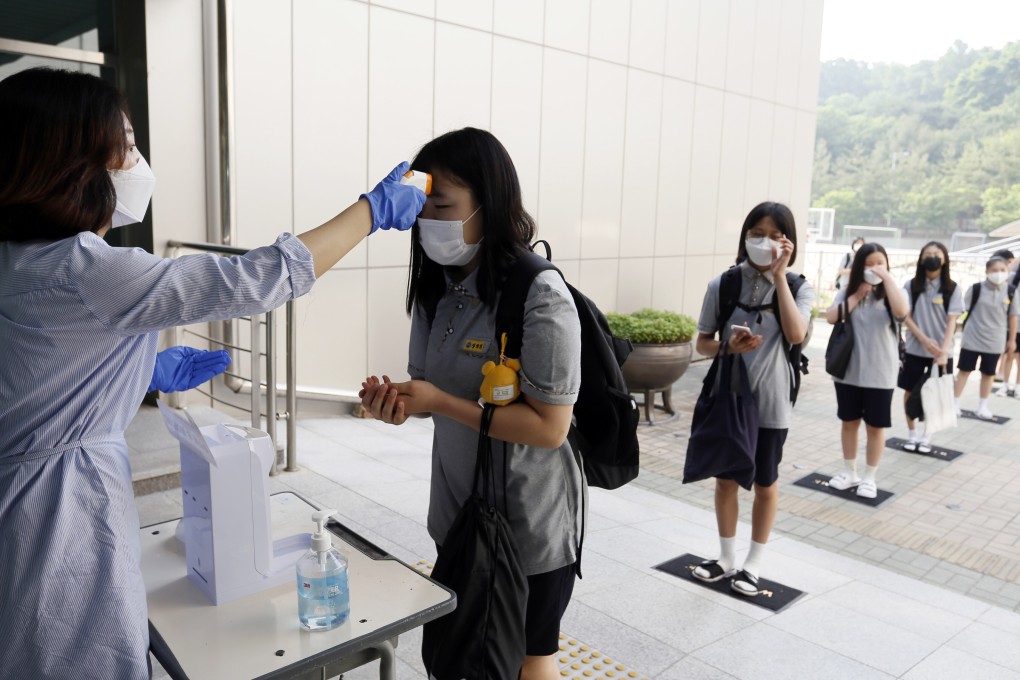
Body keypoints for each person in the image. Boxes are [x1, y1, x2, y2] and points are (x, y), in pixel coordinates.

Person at [0, 67, 425, 679]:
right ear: (73, 162)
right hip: (63, 518)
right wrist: (369, 211)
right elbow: (254, 280)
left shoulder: (17, 260)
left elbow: (38, 370)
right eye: (125, 144)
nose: (136, 161)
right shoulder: (88, 268)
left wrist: (142, 369)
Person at [359, 128, 583, 680]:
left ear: (490, 203)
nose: (427, 220)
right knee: (468, 657)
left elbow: (550, 428)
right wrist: (400, 402)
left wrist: (442, 401)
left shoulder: (539, 293)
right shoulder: (437, 288)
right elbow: (428, 389)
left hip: (528, 526)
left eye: (442, 204)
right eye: (422, 206)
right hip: (460, 517)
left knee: (529, 659)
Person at [690, 202, 814, 596]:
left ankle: (753, 563)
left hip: (773, 401)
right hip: (729, 397)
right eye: (757, 233)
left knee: (765, 483)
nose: (765, 241)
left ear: (788, 241)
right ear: (745, 237)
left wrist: (779, 278)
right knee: (726, 480)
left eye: (775, 234)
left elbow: (796, 335)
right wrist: (729, 347)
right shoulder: (722, 284)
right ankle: (726, 558)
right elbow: (703, 344)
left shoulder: (798, 287)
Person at [825, 243, 908, 498]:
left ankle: (870, 477)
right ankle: (850, 472)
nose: (874, 268)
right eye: (868, 263)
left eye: (879, 263)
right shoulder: (849, 292)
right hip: (848, 372)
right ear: (859, 266)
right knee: (849, 422)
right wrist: (857, 296)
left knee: (875, 427)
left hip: (880, 374)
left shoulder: (893, 292)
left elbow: (902, 312)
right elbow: (830, 316)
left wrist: (886, 279)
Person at [898, 242, 962, 452]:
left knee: (936, 394)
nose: (932, 257)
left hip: (942, 354)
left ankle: (927, 436)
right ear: (921, 258)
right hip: (916, 349)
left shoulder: (953, 289)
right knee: (909, 391)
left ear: (944, 259)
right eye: (928, 254)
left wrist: (943, 351)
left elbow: (952, 321)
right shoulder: (911, 286)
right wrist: (924, 340)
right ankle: (912, 434)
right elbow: (905, 317)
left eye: (936, 254)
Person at [953, 256, 1019, 419]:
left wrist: (1011, 341)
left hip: (995, 341)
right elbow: (959, 311)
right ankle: (954, 403)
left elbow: (1013, 317)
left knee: (988, 374)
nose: (998, 274)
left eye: (1002, 270)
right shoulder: (976, 289)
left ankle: (982, 406)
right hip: (972, 338)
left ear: (1008, 271)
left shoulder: (1010, 292)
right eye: (994, 270)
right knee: (964, 371)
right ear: (987, 271)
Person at [993, 249, 1020, 396]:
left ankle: (1017, 386)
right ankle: (1005, 383)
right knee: (1010, 352)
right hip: (1012, 322)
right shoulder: (1013, 276)